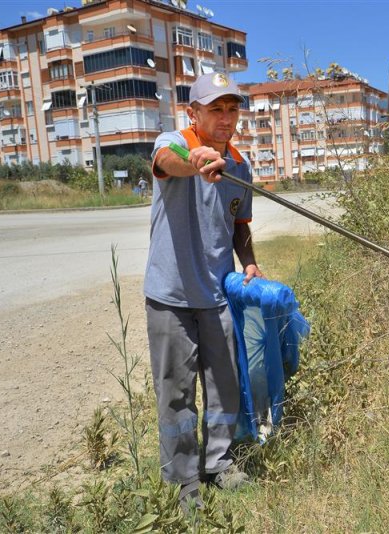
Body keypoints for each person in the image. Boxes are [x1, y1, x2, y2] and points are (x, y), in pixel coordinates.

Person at [144, 72, 263, 508]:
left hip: (217, 294)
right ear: (193, 113)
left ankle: (219, 463)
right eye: (216, 108)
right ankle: (184, 482)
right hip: (170, 296)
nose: (227, 117)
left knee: (224, 385)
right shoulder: (174, 142)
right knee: (176, 393)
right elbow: (164, 162)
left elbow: (239, 226)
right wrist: (194, 161)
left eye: (233, 108)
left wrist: (247, 259)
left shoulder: (240, 166)